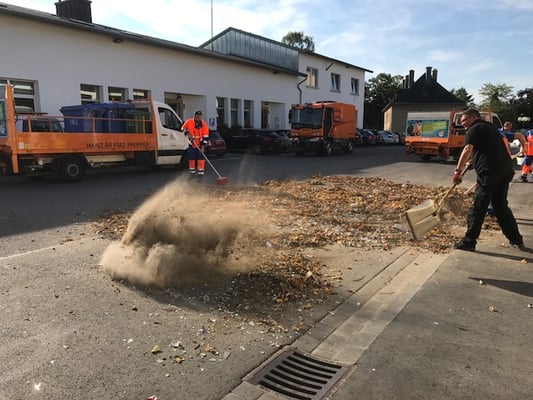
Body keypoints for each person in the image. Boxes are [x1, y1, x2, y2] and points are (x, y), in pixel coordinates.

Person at [452, 109, 524, 252]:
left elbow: (467, 149)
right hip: (505, 171)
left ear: (473, 117)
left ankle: (469, 242)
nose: (463, 124)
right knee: (500, 206)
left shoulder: (474, 129)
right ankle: (516, 239)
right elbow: (488, 149)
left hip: (489, 173)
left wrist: (458, 171)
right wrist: (473, 162)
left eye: (464, 121)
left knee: (478, 207)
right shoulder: (490, 128)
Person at [181, 110, 209, 178]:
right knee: (191, 159)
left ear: (201, 117)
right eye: (197, 117)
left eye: (199, 117)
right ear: (194, 116)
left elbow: (205, 137)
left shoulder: (204, 125)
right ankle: (192, 173)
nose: (198, 119)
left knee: (201, 159)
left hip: (200, 145)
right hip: (192, 144)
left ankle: (200, 174)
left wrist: (203, 147)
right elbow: (182, 129)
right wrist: (187, 133)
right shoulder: (189, 122)